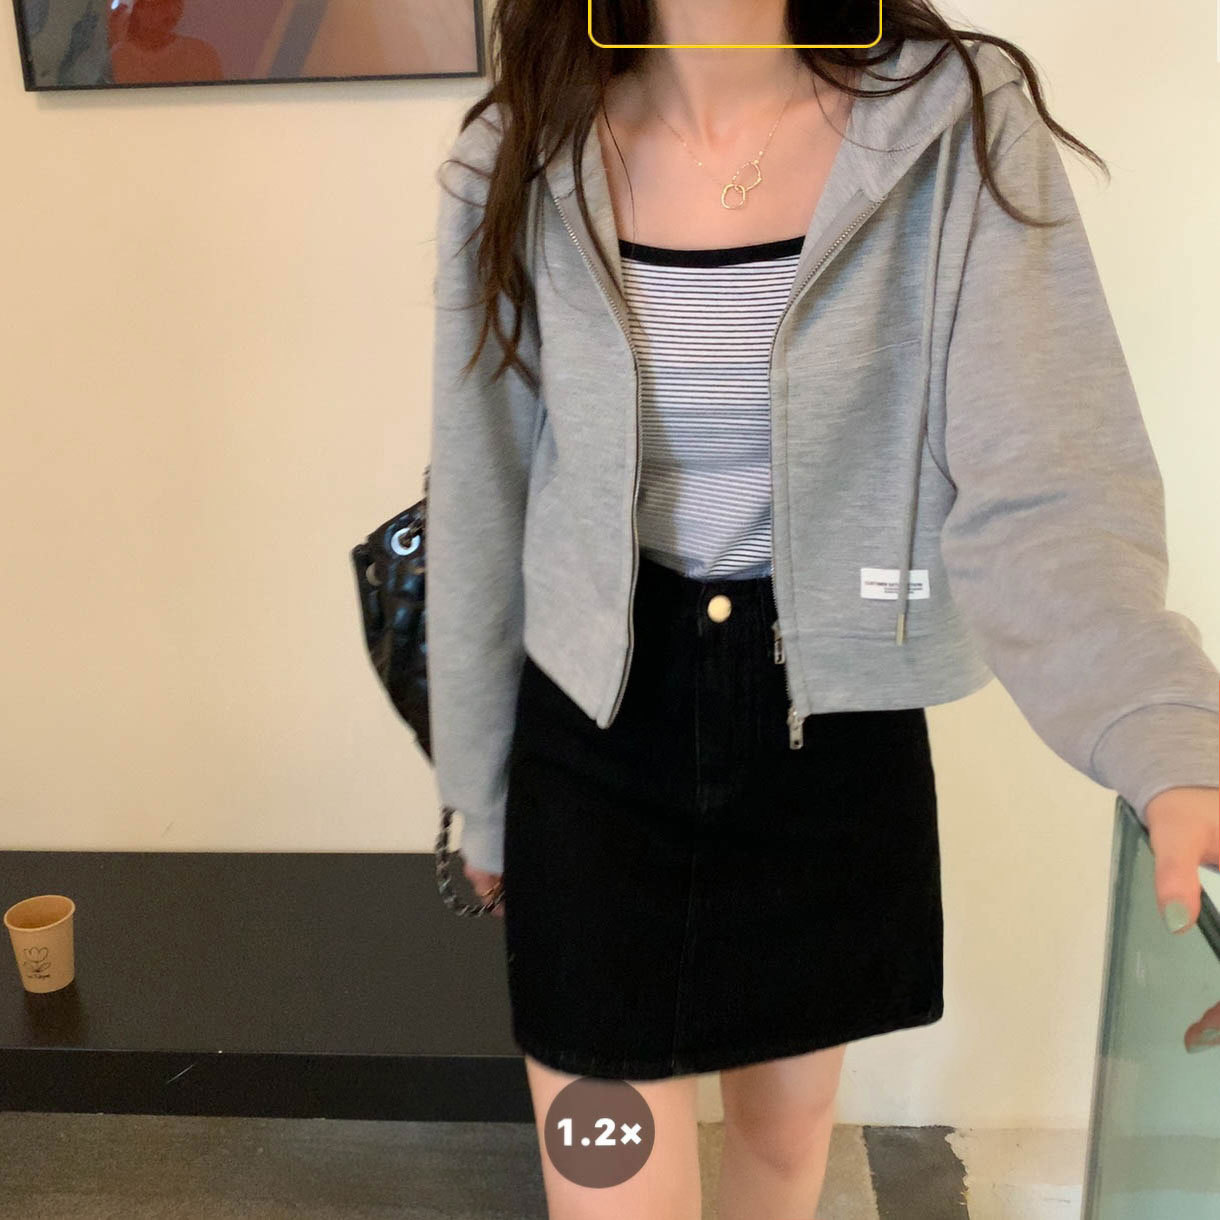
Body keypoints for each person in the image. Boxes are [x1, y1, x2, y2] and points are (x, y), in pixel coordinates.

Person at [425, 3, 1220, 1216]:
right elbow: (483, 487)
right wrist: (479, 793)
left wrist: (1169, 737)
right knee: (604, 1170)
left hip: (832, 729)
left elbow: (1047, 483)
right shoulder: (517, 149)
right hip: (592, 742)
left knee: (786, 1149)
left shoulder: (951, 125)